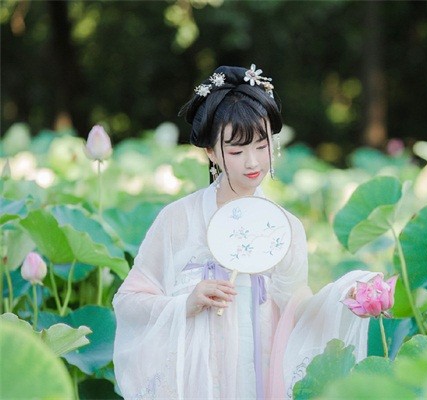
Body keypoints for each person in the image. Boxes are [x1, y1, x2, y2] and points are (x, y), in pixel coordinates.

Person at [113, 64, 376, 399]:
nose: (253, 162)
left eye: (261, 146)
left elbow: (296, 311)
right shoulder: (178, 219)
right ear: (211, 152)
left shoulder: (286, 228)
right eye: (237, 151)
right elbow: (129, 301)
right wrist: (185, 303)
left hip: (258, 374)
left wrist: (343, 297)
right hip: (199, 381)